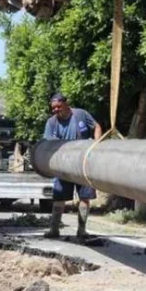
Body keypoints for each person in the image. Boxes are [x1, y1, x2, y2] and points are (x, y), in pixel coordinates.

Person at [42, 93, 102, 239]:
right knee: (59, 198)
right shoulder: (51, 123)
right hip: (63, 165)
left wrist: (97, 144)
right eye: (53, 108)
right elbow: (48, 141)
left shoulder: (81, 114)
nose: (56, 110)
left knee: (84, 197)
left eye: (58, 107)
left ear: (66, 104)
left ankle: (82, 230)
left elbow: (97, 126)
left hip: (83, 164)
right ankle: (54, 229)